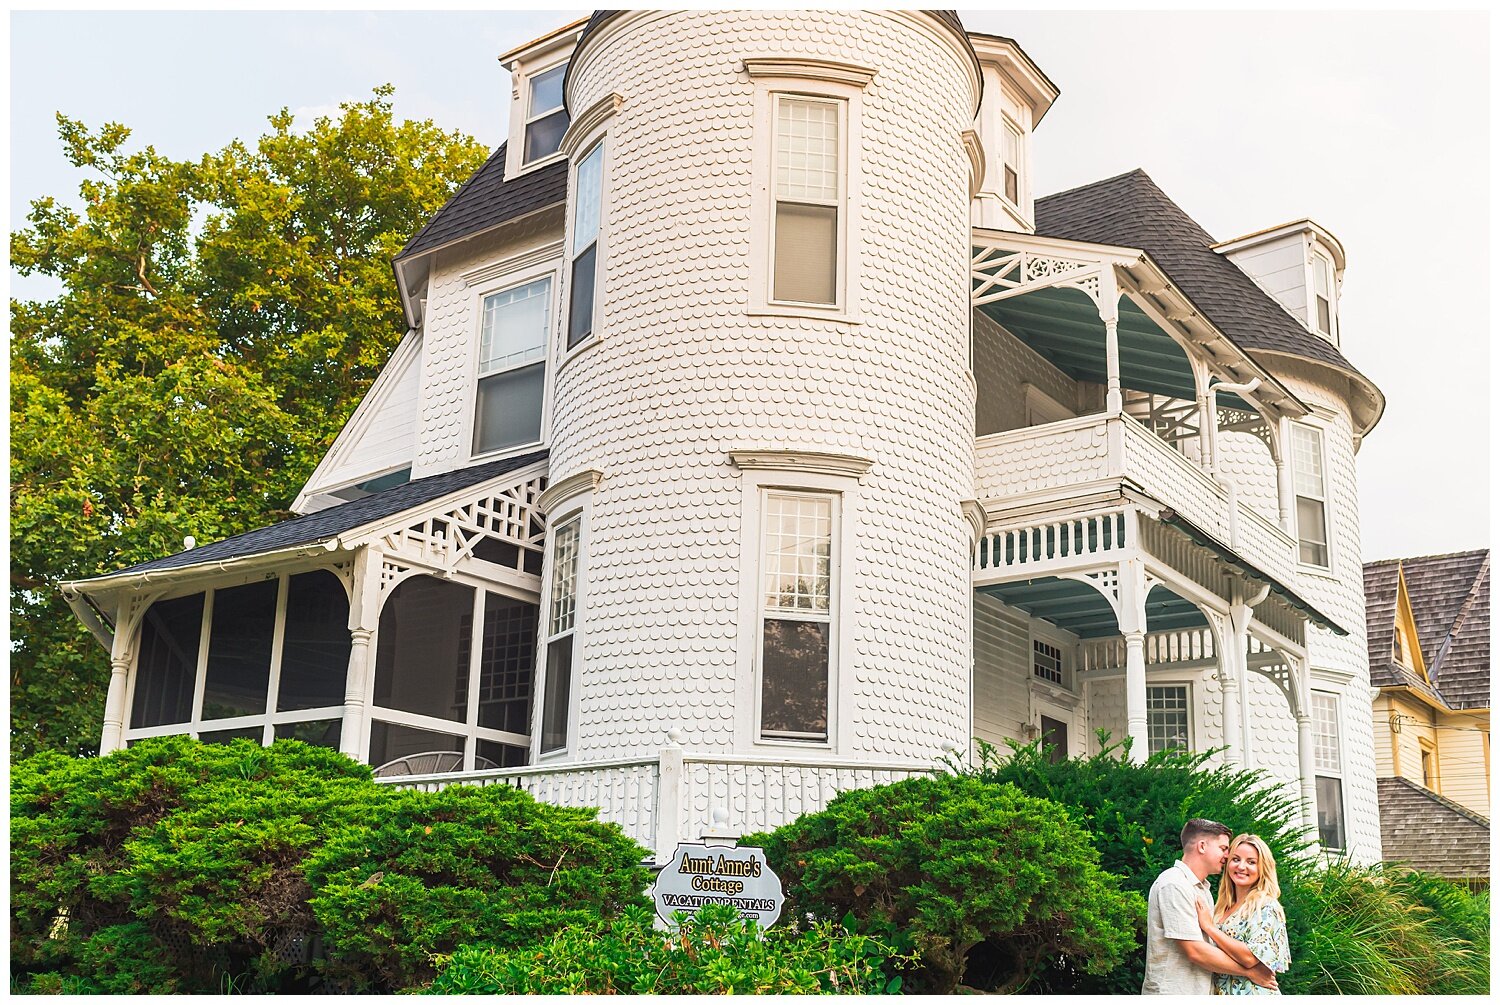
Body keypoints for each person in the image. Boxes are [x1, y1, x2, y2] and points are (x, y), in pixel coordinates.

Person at [1142, 818, 1279, 995]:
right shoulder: (1174, 884)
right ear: (1202, 846)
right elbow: (1195, 951)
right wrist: (1249, 972)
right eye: (1223, 848)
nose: (1227, 855)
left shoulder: (1203, 890)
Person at [1196, 833, 1292, 995]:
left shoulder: (1266, 907)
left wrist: (1209, 927)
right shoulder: (1221, 908)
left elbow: (1250, 958)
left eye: (1251, 862)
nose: (1241, 867)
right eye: (1235, 859)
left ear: (1263, 868)